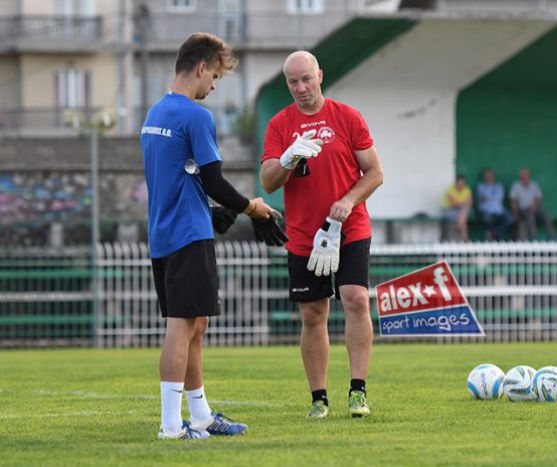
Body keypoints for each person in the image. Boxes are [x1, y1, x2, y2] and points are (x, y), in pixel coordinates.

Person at [140, 32, 287, 440]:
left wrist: (215, 213)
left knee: (196, 323)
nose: (214, 86)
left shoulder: (155, 114)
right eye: (216, 76)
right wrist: (251, 208)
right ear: (201, 67)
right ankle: (171, 426)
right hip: (188, 234)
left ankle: (200, 415)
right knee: (181, 325)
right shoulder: (196, 116)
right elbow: (214, 180)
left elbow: (179, 179)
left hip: (165, 232)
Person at [260, 51, 384, 419]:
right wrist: (287, 160)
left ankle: (358, 392)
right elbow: (268, 183)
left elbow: (374, 173)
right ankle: (319, 398)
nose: (300, 88)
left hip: (349, 226)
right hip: (302, 233)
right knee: (313, 313)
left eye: (306, 79)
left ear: (320, 76)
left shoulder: (347, 117)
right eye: (293, 82)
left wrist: (348, 200)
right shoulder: (280, 125)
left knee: (356, 298)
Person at [509, 168, 555, 240]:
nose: (524, 178)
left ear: (529, 176)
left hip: (534, 208)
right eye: (522, 177)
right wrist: (516, 214)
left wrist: (534, 207)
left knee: (546, 215)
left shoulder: (534, 185)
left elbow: (539, 198)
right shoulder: (516, 186)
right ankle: (534, 239)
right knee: (530, 216)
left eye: (525, 176)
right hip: (522, 210)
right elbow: (513, 201)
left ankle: (552, 238)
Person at [476, 168, 512, 240]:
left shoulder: (499, 186)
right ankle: (495, 235)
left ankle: (495, 234)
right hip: (485, 210)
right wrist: (490, 194)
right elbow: (482, 199)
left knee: (510, 219)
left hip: (498, 210)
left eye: (490, 175)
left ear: (493, 176)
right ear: (484, 177)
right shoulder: (481, 186)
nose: (489, 177)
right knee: (486, 219)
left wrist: (488, 197)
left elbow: (499, 197)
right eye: (487, 176)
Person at [441, 174, 472, 241]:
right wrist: (463, 203)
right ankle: (465, 240)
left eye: (462, 183)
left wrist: (461, 204)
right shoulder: (450, 190)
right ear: (456, 182)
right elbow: (453, 204)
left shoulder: (466, 189)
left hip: (461, 211)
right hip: (449, 210)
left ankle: (459, 228)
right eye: (459, 183)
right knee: (463, 216)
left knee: (464, 212)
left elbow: (470, 202)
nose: (461, 185)